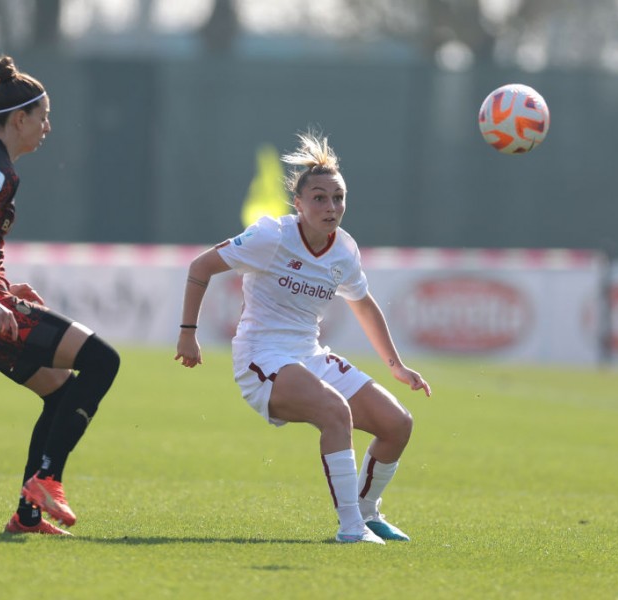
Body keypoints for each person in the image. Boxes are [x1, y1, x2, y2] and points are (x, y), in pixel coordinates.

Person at [175, 131, 431, 545]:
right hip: (262, 358)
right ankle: (350, 529)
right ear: (298, 204)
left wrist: (396, 366)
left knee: (397, 424)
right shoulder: (270, 237)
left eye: (338, 198)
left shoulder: (344, 252)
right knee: (335, 412)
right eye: (319, 198)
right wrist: (188, 334)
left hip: (309, 355)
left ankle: (367, 515)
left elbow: (364, 305)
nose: (331, 207)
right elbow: (200, 267)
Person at [0, 56, 120, 535]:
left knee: (59, 391)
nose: (47, 127)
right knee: (103, 362)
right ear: (19, 119)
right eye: (43, 117)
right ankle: (48, 480)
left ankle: (27, 515)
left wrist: (1, 288)